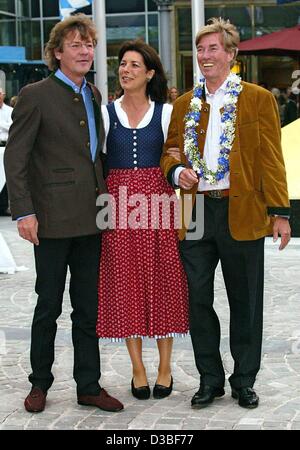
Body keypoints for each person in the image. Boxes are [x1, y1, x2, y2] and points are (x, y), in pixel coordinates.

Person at [161, 18, 291, 410]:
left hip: (243, 209)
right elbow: (170, 151)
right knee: (197, 299)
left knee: (245, 301)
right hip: (197, 211)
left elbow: (271, 157)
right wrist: (176, 170)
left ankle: (244, 380)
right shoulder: (185, 104)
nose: (205, 56)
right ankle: (210, 379)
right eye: (200, 50)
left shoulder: (256, 98)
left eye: (213, 48)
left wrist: (280, 212)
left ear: (231, 55)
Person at [4, 14, 123, 414]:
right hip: (51, 221)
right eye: (75, 44)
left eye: (88, 44)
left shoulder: (94, 93)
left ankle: (89, 385)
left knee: (88, 308)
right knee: (48, 305)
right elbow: (15, 156)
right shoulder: (35, 94)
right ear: (58, 53)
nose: (85, 50)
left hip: (91, 219)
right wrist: (24, 212)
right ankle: (40, 383)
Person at [96, 39, 189, 400]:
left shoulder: (167, 114)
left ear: (150, 73)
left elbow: (177, 158)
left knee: (164, 279)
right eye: (123, 63)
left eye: (135, 65)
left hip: (159, 207)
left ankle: (165, 367)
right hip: (117, 207)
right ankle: (137, 368)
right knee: (125, 283)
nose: (126, 70)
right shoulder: (106, 113)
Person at [0, 87, 13, 216]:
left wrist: (1, 123)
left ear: (3, 95)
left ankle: (4, 206)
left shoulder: (10, 111)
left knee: (6, 176)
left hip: (5, 145)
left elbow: (12, 126)